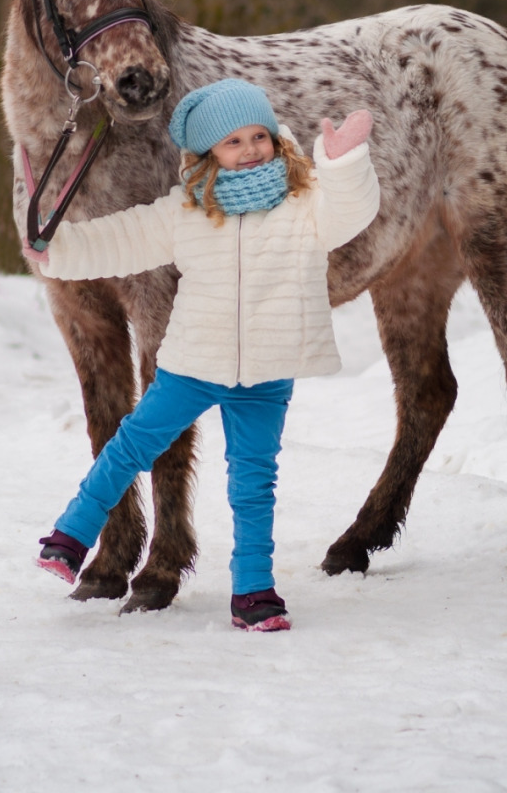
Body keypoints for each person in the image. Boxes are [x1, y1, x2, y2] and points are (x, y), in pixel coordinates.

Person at [23, 78, 379, 631]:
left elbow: (350, 214)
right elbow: (121, 238)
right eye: (234, 141)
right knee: (130, 448)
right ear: (210, 151)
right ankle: (70, 538)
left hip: (267, 370)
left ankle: (254, 593)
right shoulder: (186, 208)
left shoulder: (305, 203)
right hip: (193, 364)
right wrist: (56, 250)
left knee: (254, 483)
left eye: (259, 135)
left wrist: (343, 164)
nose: (251, 148)